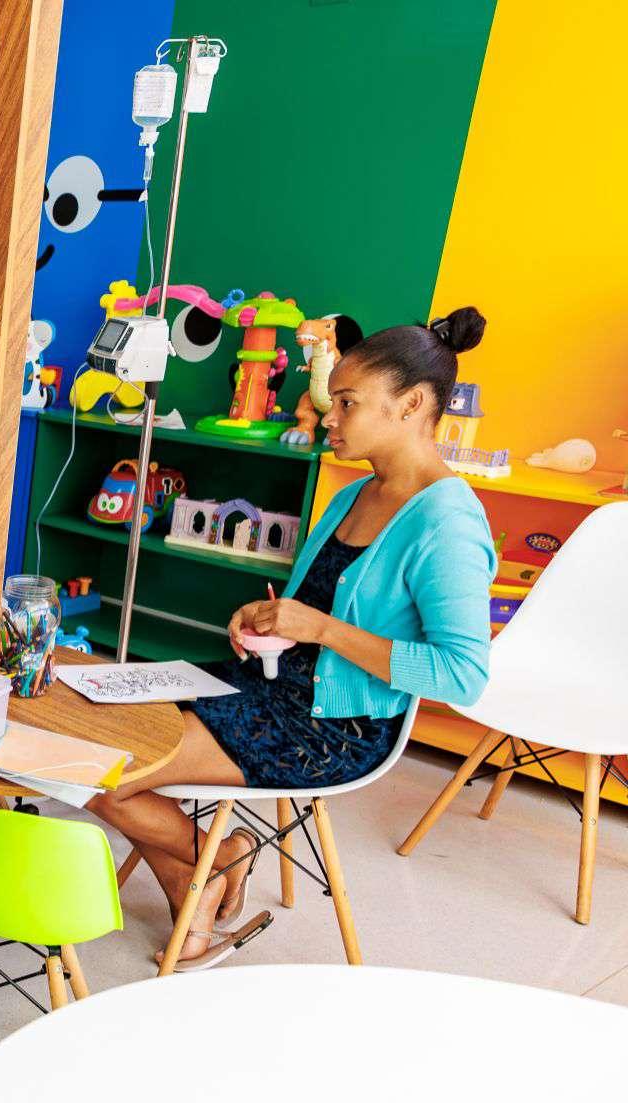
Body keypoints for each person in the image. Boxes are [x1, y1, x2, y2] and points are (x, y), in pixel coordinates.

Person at [88, 309, 496, 969]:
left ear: (411, 404)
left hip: (336, 727)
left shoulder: (448, 522)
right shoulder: (353, 494)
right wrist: (263, 617)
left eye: (347, 402)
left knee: (103, 773)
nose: (329, 416)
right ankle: (209, 866)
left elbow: (462, 674)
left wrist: (321, 629)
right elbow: (304, 608)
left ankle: (211, 865)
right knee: (94, 737)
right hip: (270, 686)